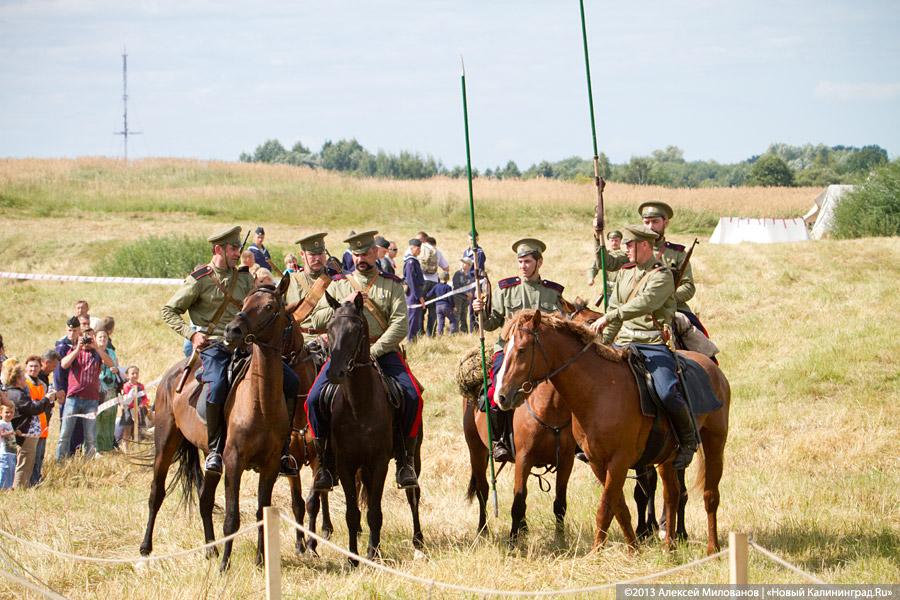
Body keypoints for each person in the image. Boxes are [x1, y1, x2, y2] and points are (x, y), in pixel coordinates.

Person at [160, 226, 300, 477]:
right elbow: (168, 311)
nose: (238, 253)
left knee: (291, 381)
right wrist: (192, 333)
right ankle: (215, 450)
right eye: (233, 249)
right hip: (214, 345)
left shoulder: (246, 278)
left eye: (238, 248)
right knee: (216, 386)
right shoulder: (200, 279)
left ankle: (283, 448)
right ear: (218, 250)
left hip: (245, 345)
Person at [305, 230, 423, 491]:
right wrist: (343, 305)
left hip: (383, 350)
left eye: (366, 253)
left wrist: (375, 351)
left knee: (413, 396)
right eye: (356, 254)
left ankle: (405, 460)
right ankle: (325, 463)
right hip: (344, 353)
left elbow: (400, 324)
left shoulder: (391, 284)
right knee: (314, 399)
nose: (361, 258)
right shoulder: (338, 285)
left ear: (375, 253)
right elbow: (316, 320)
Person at [588, 224, 698, 470]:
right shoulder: (625, 273)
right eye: (626, 245)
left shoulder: (662, 275)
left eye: (630, 245)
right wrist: (603, 343)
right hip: (624, 342)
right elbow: (615, 312)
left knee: (667, 390)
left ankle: (688, 440)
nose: (626, 249)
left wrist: (608, 316)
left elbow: (645, 303)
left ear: (645, 245)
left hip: (652, 343)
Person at [472, 238, 566, 461]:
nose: (523, 266)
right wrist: (479, 312)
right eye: (520, 262)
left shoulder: (553, 293)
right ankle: (500, 440)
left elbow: (561, 325)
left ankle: (572, 439)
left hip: (543, 355)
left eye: (527, 261)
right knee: (497, 390)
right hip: (508, 351)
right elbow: (492, 322)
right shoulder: (506, 290)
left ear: (539, 263)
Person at [56, 327, 114, 461]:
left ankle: (88, 462)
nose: (88, 340)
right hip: (73, 398)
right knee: (65, 433)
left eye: (90, 337)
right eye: (85, 337)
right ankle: (60, 461)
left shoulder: (98, 353)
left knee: (90, 436)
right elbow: (63, 364)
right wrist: (78, 348)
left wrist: (97, 348)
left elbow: (111, 364)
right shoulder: (75, 351)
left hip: (92, 400)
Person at [286, 232, 342, 332]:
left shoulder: (337, 280)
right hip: (300, 340)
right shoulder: (291, 281)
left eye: (321, 253)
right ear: (302, 255)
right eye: (312, 254)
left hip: (333, 339)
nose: (317, 258)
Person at [55, 316, 84, 455]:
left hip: (80, 391)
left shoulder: (83, 345)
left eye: (74, 330)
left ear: (79, 331)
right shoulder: (61, 347)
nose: (72, 333)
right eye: (69, 330)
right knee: (67, 425)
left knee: (79, 425)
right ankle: (64, 454)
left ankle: (75, 452)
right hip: (67, 391)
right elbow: (58, 371)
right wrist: (60, 389)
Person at [22, 356, 53, 487]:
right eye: (31, 366)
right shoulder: (23, 384)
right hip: (28, 426)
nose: (33, 369)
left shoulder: (43, 384)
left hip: (42, 424)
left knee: (39, 456)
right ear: (26, 367)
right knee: (29, 457)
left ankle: (35, 481)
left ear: (40, 368)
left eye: (36, 366)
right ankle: (25, 483)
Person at [32, 350, 61, 485]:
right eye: (54, 365)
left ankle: (37, 476)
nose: (55, 369)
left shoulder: (45, 376)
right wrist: (54, 396)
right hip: (37, 420)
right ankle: (33, 479)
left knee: (41, 451)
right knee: (36, 452)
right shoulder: (37, 378)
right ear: (47, 362)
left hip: (44, 420)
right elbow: (39, 399)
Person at [95, 330, 120, 452]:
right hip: (98, 388)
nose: (102, 339)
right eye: (100, 337)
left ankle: (108, 446)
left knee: (109, 418)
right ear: (95, 338)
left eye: (105, 337)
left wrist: (116, 369)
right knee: (98, 418)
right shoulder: (94, 352)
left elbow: (116, 365)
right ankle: (97, 447)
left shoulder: (111, 352)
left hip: (111, 388)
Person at [117, 366, 148, 445]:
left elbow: (145, 398)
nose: (135, 375)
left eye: (136, 373)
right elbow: (127, 400)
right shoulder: (126, 386)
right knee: (127, 429)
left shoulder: (141, 386)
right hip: (128, 410)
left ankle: (137, 444)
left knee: (138, 429)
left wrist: (142, 404)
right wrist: (133, 407)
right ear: (127, 375)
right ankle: (125, 446)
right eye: (132, 373)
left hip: (139, 410)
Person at [403, 239, 425, 342]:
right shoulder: (410, 262)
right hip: (413, 294)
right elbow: (412, 281)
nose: (420, 251)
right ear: (413, 248)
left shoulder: (413, 261)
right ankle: (410, 340)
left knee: (416, 318)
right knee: (412, 317)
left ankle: (413, 338)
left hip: (416, 293)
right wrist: (419, 296)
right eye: (419, 248)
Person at [452, 256, 475, 333]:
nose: (462, 264)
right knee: (456, 315)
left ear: (468, 265)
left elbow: (470, 286)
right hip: (458, 298)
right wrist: (466, 293)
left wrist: (470, 294)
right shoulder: (457, 274)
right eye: (462, 262)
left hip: (466, 299)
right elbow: (456, 286)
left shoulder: (469, 277)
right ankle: (454, 332)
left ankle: (464, 331)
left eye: (464, 263)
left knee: (464, 315)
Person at [0, 403, 16, 490]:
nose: (9, 414)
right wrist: (12, 432)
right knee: (4, 470)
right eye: (6, 412)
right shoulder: (1, 423)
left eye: (11, 412)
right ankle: (2, 487)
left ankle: (8, 487)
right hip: (4, 452)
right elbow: (2, 434)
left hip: (12, 452)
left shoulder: (10, 423)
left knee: (11, 470)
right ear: (0, 413)